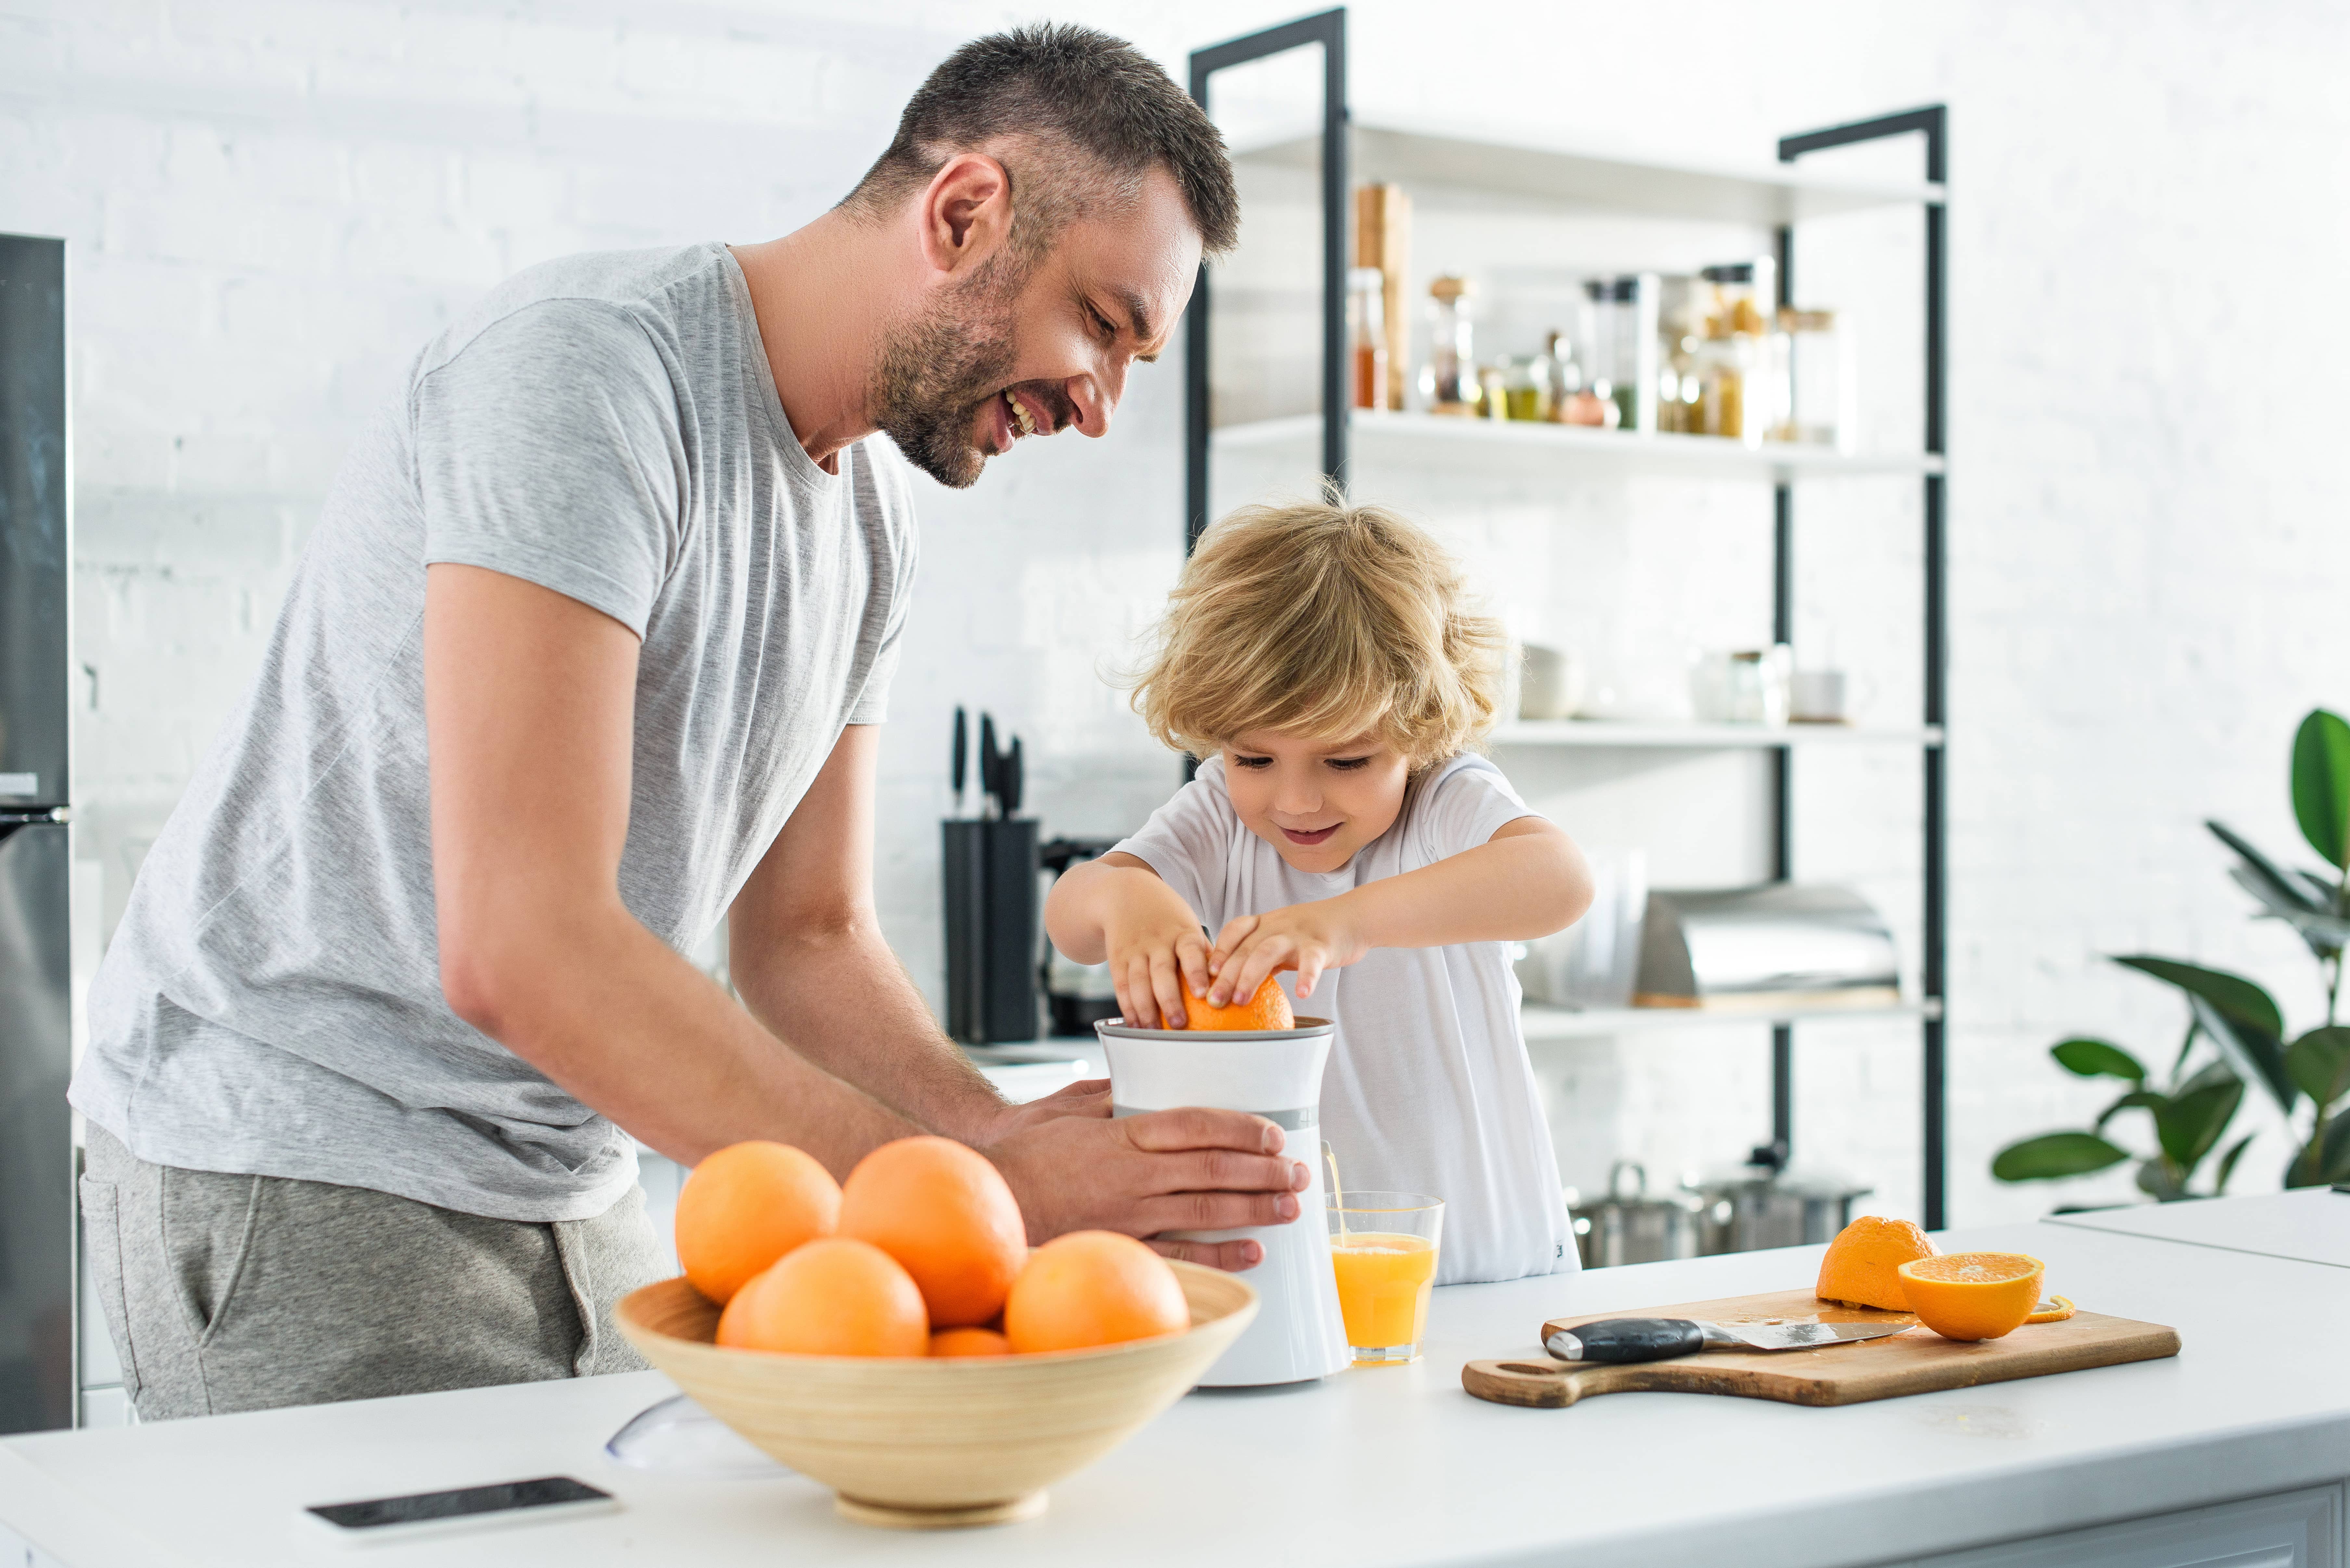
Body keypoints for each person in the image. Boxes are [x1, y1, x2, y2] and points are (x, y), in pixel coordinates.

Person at [71, 24, 1311, 1422]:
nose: (1101, 407)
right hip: (306, 1152)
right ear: (964, 213)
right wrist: (978, 1193)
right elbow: (524, 946)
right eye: (1102, 324)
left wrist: (988, 1129)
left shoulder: (871, 519)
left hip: (573, 1174)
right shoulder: (583, 376)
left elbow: (806, 936)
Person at [1045, 498, 1595, 1283]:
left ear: (1420, 729)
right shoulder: (1216, 816)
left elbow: (1559, 879)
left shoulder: (1443, 799)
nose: (1295, 800)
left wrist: (1344, 923)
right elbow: (1072, 917)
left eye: (1345, 762)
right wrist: (1126, 899)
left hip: (1491, 1270)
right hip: (1313, 1288)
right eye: (1253, 759)